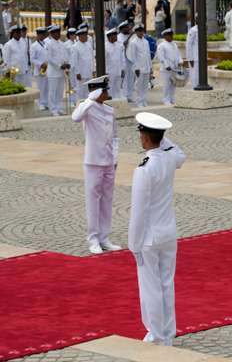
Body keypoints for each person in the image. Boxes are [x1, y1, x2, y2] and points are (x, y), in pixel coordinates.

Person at [129, 112, 186, 346]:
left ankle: (156, 334)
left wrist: (134, 244)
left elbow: (138, 211)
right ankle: (168, 332)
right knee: (166, 284)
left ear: (144, 137)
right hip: (168, 232)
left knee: (150, 287)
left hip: (149, 237)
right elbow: (182, 154)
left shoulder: (145, 168)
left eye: (141, 133)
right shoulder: (169, 158)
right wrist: (164, 138)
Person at [72, 76, 122, 254]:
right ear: (97, 92)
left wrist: (115, 157)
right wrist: (88, 99)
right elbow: (75, 117)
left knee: (107, 199)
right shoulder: (87, 108)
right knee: (93, 200)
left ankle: (104, 237)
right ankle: (92, 239)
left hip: (109, 161)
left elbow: (115, 136)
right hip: (93, 161)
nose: (108, 94)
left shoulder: (109, 110)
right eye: (105, 91)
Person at [46, 25, 70, 116]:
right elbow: (49, 58)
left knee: (60, 91)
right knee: (53, 91)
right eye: (55, 33)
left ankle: (59, 107)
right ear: (51, 34)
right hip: (53, 72)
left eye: (58, 32)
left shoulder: (61, 43)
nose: (57, 34)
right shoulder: (48, 44)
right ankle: (53, 109)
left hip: (61, 72)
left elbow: (64, 56)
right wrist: (60, 65)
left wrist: (67, 63)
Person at [156, 28, 182, 105]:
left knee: (173, 84)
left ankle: (172, 98)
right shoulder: (162, 45)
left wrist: (180, 61)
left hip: (174, 67)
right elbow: (161, 57)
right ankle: (166, 99)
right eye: (169, 35)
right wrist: (166, 65)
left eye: (171, 35)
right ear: (165, 36)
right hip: (166, 69)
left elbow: (178, 54)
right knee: (166, 85)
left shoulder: (174, 44)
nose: (171, 37)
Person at [129, 24, 152, 107]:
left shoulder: (146, 42)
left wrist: (150, 66)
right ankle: (139, 101)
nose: (141, 33)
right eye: (139, 31)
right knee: (139, 85)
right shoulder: (133, 43)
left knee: (145, 85)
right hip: (139, 67)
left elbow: (148, 55)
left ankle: (144, 100)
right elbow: (133, 56)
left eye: (142, 31)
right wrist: (136, 68)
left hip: (146, 66)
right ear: (136, 32)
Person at [71, 28, 94, 102]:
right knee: (80, 91)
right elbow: (75, 61)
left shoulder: (88, 45)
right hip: (81, 72)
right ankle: (80, 105)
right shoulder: (75, 46)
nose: (87, 37)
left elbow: (91, 58)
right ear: (80, 36)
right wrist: (77, 72)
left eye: (86, 35)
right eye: (85, 35)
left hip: (89, 71)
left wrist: (93, 69)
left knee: (89, 90)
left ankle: (88, 105)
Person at [30, 27, 49, 110]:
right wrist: (41, 64)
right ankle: (40, 103)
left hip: (47, 69)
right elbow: (32, 59)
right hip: (39, 69)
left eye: (44, 34)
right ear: (38, 35)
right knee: (40, 87)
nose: (43, 36)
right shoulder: (34, 46)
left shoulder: (46, 44)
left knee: (47, 87)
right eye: (41, 34)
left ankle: (46, 102)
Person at [118, 20, 135, 102]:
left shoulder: (132, 37)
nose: (128, 29)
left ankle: (130, 95)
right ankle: (124, 96)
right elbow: (121, 47)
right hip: (123, 60)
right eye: (126, 28)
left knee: (131, 78)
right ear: (122, 29)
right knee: (124, 79)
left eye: (128, 27)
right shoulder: (118, 37)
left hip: (131, 60)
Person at [105, 28, 125, 100]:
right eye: (115, 35)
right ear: (110, 37)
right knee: (110, 87)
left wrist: (122, 69)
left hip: (118, 70)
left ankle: (117, 101)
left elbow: (121, 58)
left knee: (118, 87)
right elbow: (105, 60)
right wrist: (105, 72)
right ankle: (111, 102)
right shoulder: (105, 46)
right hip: (109, 71)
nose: (116, 37)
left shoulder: (119, 45)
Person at [185, 23, 199, 88]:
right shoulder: (193, 30)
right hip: (194, 58)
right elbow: (188, 45)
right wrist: (190, 58)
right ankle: (195, 89)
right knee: (195, 76)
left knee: (199, 76)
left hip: (200, 57)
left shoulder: (203, 29)